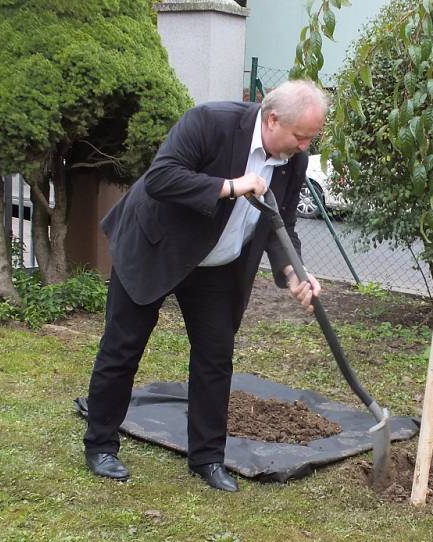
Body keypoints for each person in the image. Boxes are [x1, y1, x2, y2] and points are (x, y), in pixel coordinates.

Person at [83, 80, 328, 492]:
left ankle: (208, 458)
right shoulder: (210, 121)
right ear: (272, 120)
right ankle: (101, 445)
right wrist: (232, 186)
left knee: (216, 357)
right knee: (123, 346)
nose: (305, 146)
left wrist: (295, 274)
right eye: (301, 136)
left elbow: (279, 224)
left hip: (216, 265)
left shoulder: (292, 158)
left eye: (310, 138)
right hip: (156, 246)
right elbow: (162, 177)